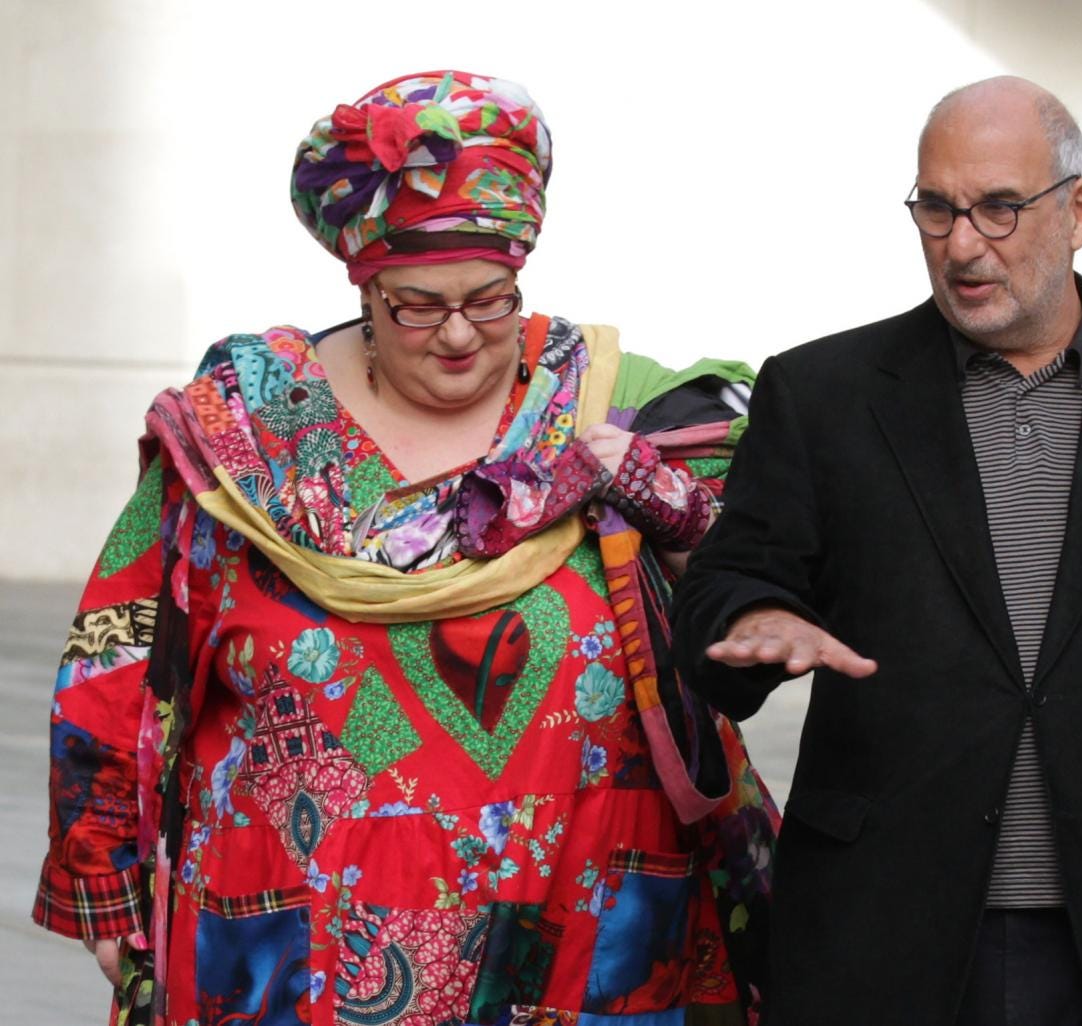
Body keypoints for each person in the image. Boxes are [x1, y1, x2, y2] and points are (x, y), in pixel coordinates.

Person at [34, 70, 777, 1026]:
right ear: (365, 288)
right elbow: (123, 643)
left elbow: (755, 551)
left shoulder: (616, 406)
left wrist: (653, 492)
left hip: (580, 933)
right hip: (292, 949)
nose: (462, 335)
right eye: (419, 306)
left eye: (491, 299)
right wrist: (105, 881)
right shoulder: (248, 432)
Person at [671, 76, 1082, 1026]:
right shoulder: (823, 394)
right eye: (935, 209)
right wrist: (752, 618)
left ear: (1081, 210)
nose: (962, 244)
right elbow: (724, 589)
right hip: (880, 931)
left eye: (998, 208)